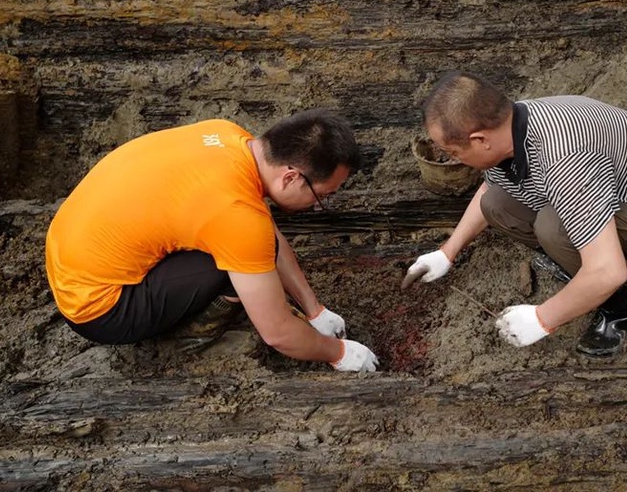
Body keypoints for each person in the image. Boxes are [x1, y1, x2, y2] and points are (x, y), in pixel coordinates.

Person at [403, 71, 627, 356]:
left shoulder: (565, 157)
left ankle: (620, 308)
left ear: (480, 140)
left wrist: (542, 319)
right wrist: (447, 253)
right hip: (623, 196)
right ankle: (578, 267)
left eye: (454, 153)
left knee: (555, 226)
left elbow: (609, 271)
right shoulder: (512, 126)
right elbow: (489, 190)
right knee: (496, 203)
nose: (456, 160)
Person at [46, 110, 379, 372]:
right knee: (237, 261)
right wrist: (338, 353)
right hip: (99, 309)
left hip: (71, 263)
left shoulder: (227, 135)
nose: (319, 206)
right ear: (291, 177)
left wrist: (314, 310)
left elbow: (263, 231)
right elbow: (277, 333)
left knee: (252, 242)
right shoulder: (237, 217)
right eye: (322, 197)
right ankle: (191, 338)